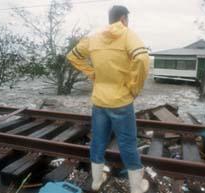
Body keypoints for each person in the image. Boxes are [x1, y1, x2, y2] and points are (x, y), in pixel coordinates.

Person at [67, 5, 150, 193]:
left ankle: (96, 181)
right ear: (123, 19)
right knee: (127, 143)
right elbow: (142, 58)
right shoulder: (128, 34)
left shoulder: (94, 37)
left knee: (98, 141)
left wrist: (92, 73)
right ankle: (136, 187)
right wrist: (134, 88)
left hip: (99, 101)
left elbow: (72, 56)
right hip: (121, 100)